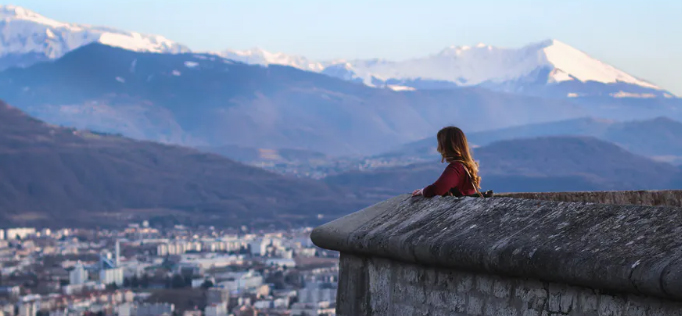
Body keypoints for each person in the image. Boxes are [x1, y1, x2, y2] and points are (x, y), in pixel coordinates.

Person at [412, 126, 482, 198]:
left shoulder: (456, 167)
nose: (438, 147)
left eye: (440, 143)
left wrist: (423, 191)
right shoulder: (468, 165)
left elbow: (438, 189)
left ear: (446, 146)